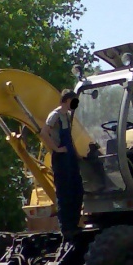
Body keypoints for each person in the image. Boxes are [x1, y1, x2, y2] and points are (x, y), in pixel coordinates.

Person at [41, 89, 84, 238]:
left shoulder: (68, 116)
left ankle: (75, 224)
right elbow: (44, 133)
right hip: (61, 158)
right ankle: (66, 228)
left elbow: (70, 138)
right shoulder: (55, 115)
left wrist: (76, 154)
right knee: (64, 192)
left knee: (77, 189)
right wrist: (57, 149)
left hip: (70, 156)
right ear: (67, 100)